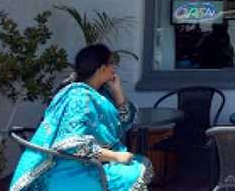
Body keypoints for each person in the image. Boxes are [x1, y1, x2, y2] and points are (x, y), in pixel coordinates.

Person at [10, 44, 153, 191]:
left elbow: (124, 121)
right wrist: (116, 156)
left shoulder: (101, 92)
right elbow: (73, 145)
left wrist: (118, 92)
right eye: (111, 63)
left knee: (141, 164)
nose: (115, 67)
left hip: (93, 161)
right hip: (72, 168)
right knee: (135, 172)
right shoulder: (78, 97)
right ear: (102, 68)